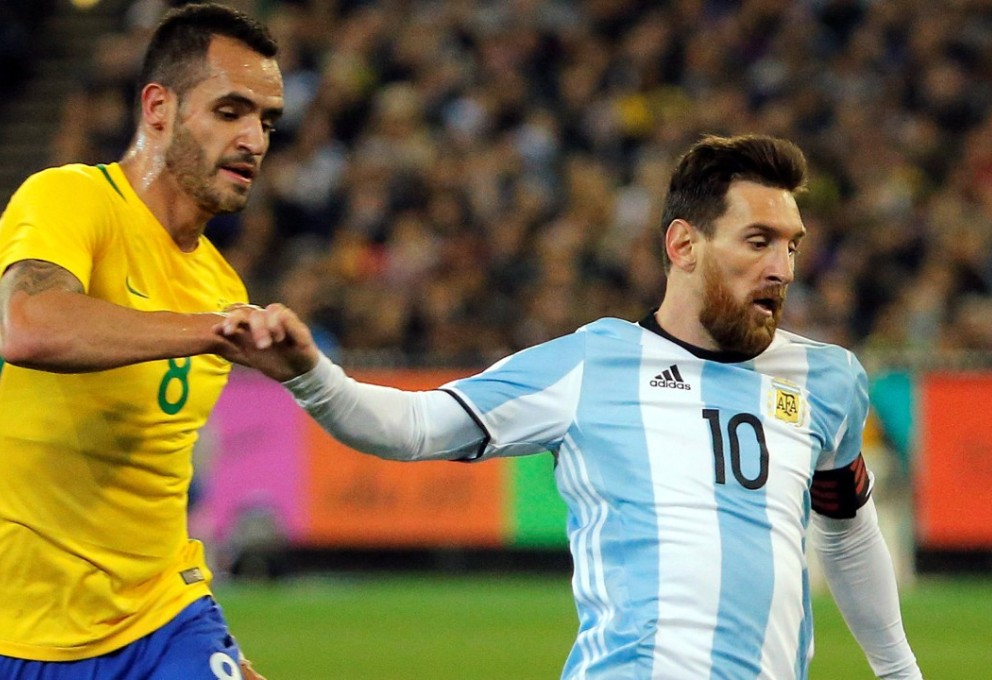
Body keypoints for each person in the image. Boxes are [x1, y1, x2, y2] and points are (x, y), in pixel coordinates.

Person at [220, 134, 923, 679]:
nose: (783, 270)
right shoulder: (590, 365)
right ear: (684, 245)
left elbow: (847, 528)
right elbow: (412, 427)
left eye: (793, 246)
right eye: (759, 241)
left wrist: (899, 671)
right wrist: (310, 374)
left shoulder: (827, 380)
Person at [0, 4, 283, 679]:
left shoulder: (221, 289)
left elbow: (155, 483)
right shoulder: (72, 200)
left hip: (160, 625)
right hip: (21, 626)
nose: (255, 139)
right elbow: (29, 325)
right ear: (158, 108)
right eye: (230, 111)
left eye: (267, 121)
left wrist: (223, 653)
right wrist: (213, 332)